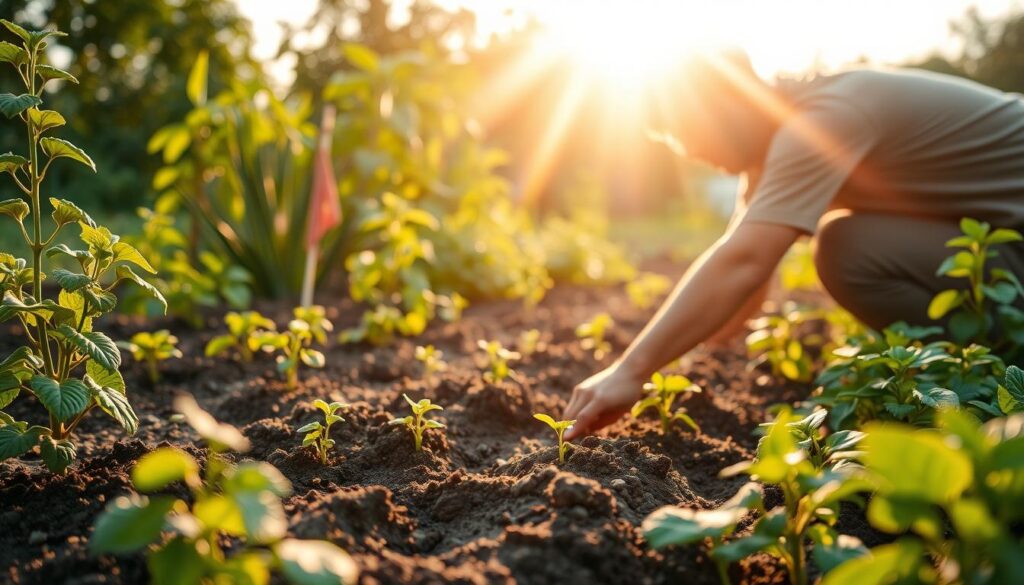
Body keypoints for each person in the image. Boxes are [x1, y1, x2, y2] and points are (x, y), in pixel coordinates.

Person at [563, 48, 1024, 440]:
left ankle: (990, 372)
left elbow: (744, 260)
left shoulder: (824, 118)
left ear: (729, 99)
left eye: (688, 133)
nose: (692, 153)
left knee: (845, 248)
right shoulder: (777, 140)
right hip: (1009, 238)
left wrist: (630, 371)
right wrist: (705, 358)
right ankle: (981, 362)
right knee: (852, 242)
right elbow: (750, 276)